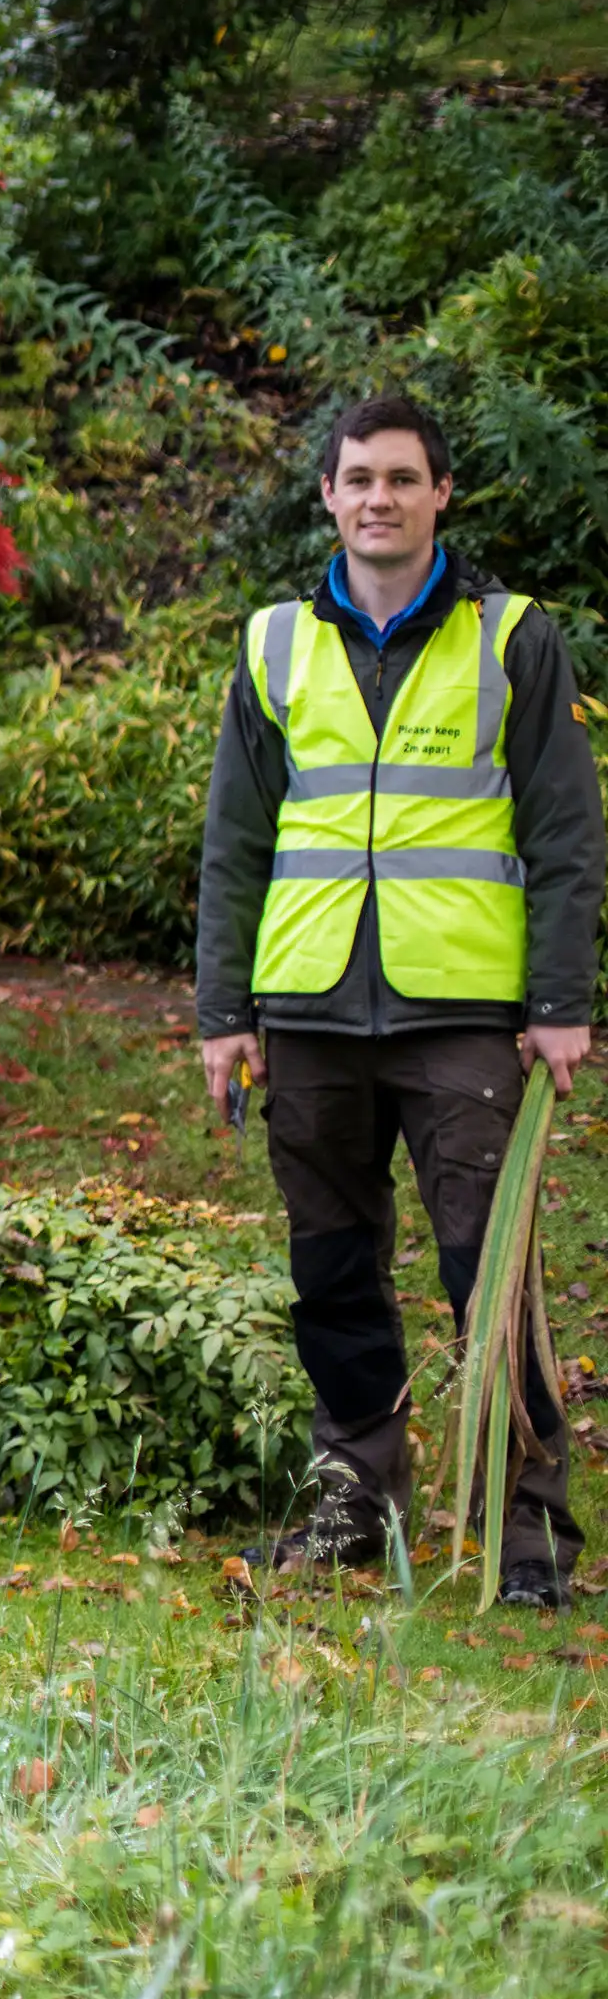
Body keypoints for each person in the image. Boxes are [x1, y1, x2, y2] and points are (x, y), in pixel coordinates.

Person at [197, 392, 600, 1606]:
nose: (379, 496)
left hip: (464, 1017)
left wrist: (561, 999)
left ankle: (524, 1531)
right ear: (328, 495)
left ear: (440, 497)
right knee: (332, 1270)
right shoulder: (273, 645)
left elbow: (566, 831)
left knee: (494, 1276)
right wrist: (225, 1013)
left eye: (402, 478)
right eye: (358, 477)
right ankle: (356, 1498)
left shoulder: (513, 640)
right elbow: (234, 843)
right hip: (310, 1013)